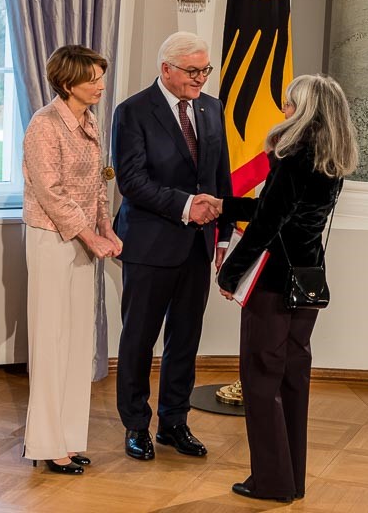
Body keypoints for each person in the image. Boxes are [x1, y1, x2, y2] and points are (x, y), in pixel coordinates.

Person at [216, 74, 358, 502]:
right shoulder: (331, 156)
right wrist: (224, 205)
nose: (284, 110)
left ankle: (271, 482)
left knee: (261, 378)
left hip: (274, 284)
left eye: (290, 103)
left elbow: (267, 224)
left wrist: (230, 274)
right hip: (307, 280)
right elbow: (282, 211)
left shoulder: (294, 153)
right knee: (293, 378)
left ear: (307, 110)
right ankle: (292, 479)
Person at [111, 31, 233, 461]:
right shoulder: (132, 111)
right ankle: (136, 425)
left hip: (199, 245)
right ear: (166, 69)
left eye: (205, 70)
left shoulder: (212, 107)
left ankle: (174, 422)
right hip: (150, 242)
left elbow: (221, 175)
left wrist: (224, 232)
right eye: (193, 71)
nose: (201, 78)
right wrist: (186, 206)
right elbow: (132, 181)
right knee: (139, 339)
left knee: (185, 338)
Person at [22, 45, 123, 475]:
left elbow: (97, 185)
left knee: (79, 341)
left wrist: (106, 229)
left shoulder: (90, 121)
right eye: (93, 79)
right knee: (51, 340)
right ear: (67, 83)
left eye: (102, 77)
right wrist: (88, 234)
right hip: (51, 237)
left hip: (84, 238)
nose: (101, 86)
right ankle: (45, 443)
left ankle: (68, 437)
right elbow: (51, 190)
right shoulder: (44, 126)